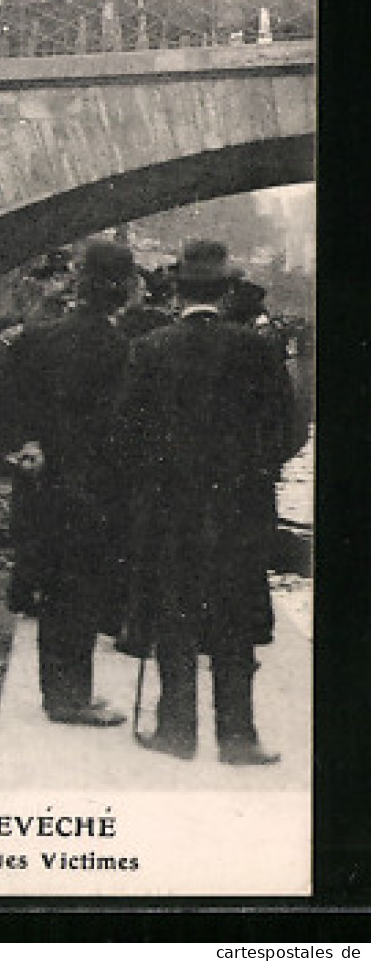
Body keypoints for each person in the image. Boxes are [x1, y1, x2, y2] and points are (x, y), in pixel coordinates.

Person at [115, 242, 303, 765]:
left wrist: (152, 483)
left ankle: (176, 731)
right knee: (235, 617)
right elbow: (289, 427)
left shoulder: (151, 348)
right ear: (225, 292)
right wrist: (257, 472)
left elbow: (126, 435)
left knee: (174, 614)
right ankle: (238, 737)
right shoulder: (258, 349)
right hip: (239, 510)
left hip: (170, 510)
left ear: (177, 291)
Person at [1, 240, 137, 728]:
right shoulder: (116, 348)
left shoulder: (36, 339)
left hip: (41, 489)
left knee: (55, 591)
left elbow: (3, 409)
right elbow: (120, 429)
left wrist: (28, 446)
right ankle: (69, 698)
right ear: (121, 292)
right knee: (80, 595)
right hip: (94, 493)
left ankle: (60, 691)